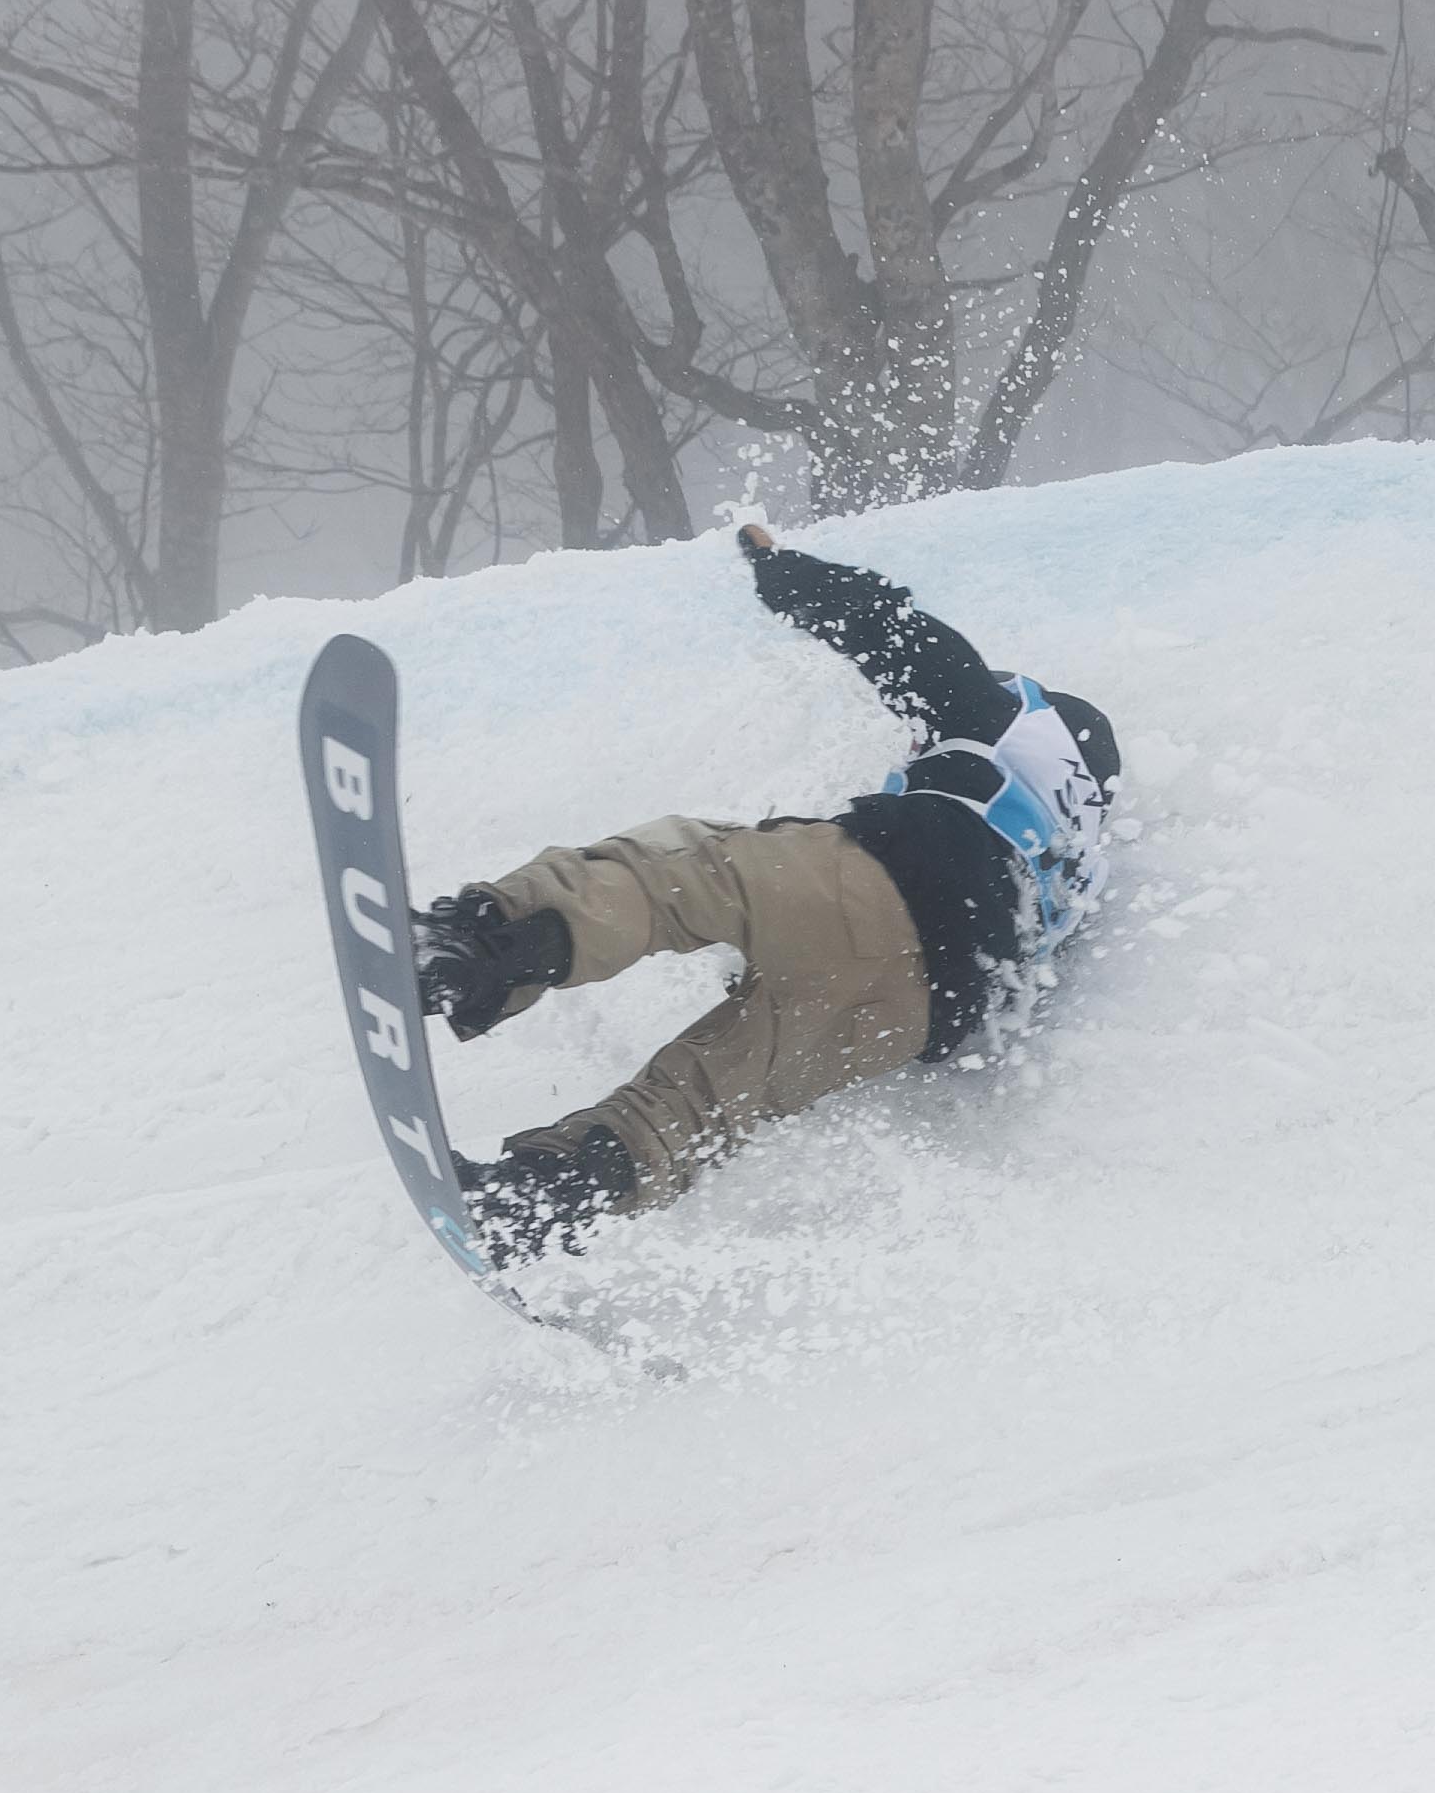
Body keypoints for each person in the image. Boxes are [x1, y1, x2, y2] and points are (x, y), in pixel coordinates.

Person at [415, 525, 1120, 1263]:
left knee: (672, 875)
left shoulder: (1000, 721)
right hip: (910, 1016)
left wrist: (782, 571)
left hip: (872, 884)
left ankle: (470, 951)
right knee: (698, 1103)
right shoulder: (1067, 875)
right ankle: (537, 1198)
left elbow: (893, 629)